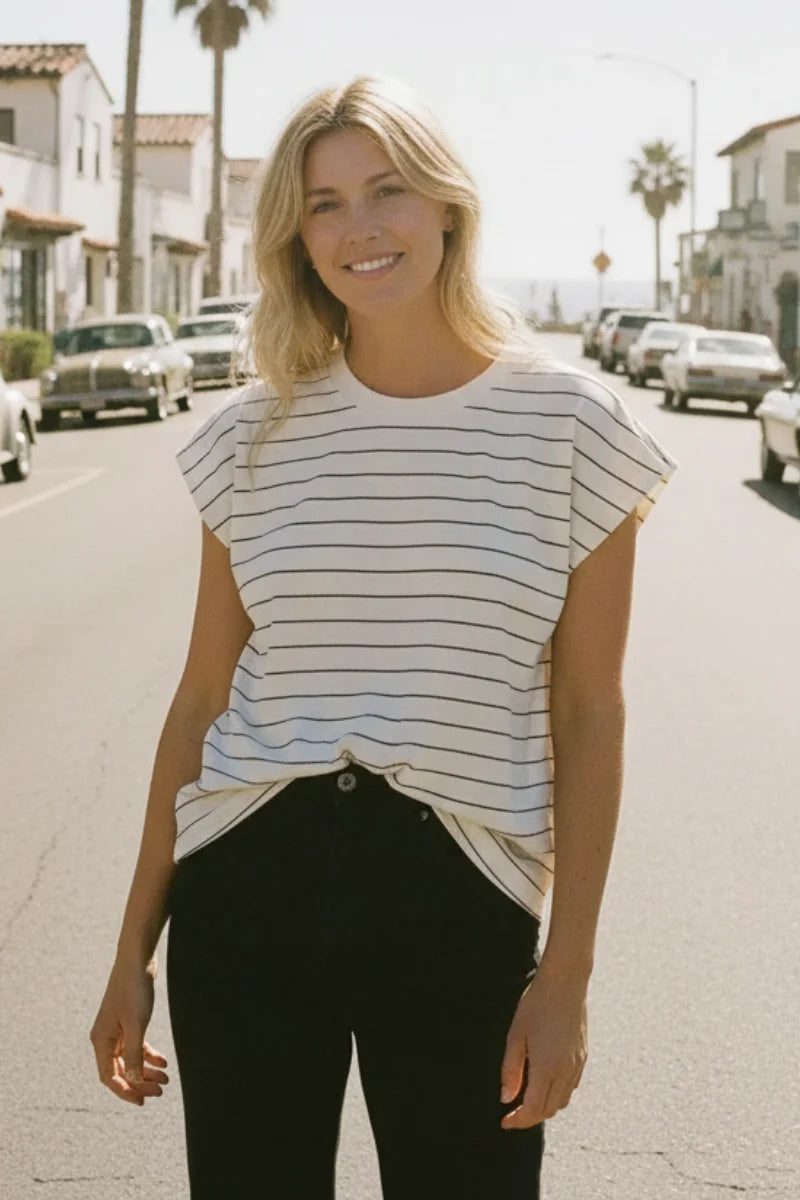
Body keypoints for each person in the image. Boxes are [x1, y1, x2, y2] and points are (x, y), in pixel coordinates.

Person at [90, 75, 678, 1199]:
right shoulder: (250, 434)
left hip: (461, 899)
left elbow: (589, 712)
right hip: (245, 890)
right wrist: (132, 953)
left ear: (447, 206)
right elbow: (200, 701)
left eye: (387, 190)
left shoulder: (573, 427)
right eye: (324, 204)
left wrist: (566, 977)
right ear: (297, 238)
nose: (358, 227)